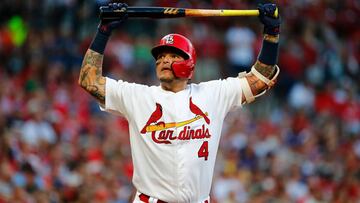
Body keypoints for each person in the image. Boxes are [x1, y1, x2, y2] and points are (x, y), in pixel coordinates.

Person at [79, 2, 281, 203]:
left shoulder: (212, 94)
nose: (164, 60)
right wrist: (103, 32)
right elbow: (89, 81)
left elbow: (260, 80)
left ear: (190, 64)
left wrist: (271, 34)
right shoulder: (138, 97)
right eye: (160, 56)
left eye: (173, 55)